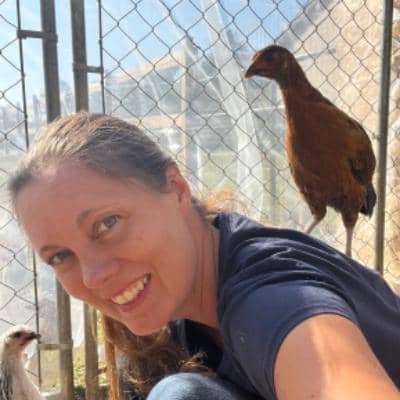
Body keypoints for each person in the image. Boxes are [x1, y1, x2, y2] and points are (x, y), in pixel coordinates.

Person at [8, 112, 400, 400]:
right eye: (60, 257)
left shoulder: (273, 296)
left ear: (177, 188)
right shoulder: (182, 305)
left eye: (107, 223)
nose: (93, 276)